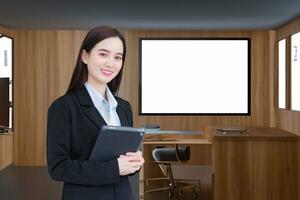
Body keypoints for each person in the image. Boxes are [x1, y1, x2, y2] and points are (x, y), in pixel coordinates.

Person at [47, 26, 145, 200]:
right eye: (103, 54)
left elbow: (122, 161)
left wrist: (134, 162)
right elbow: (59, 168)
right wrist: (115, 168)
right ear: (85, 56)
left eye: (117, 57)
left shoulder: (123, 107)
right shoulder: (63, 107)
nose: (110, 63)